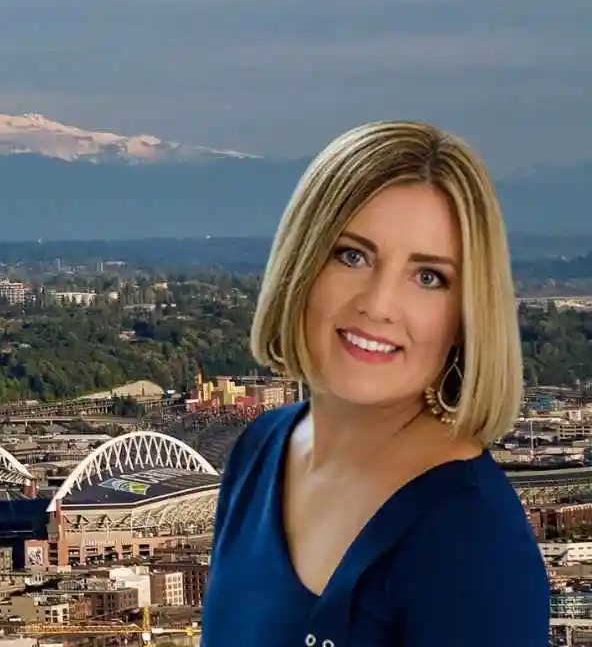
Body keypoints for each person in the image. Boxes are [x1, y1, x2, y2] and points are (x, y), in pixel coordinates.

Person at [201, 120, 549, 646]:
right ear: (300, 264)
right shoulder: (258, 451)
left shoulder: (471, 540)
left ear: (465, 317)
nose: (378, 305)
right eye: (352, 255)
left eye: (428, 276)